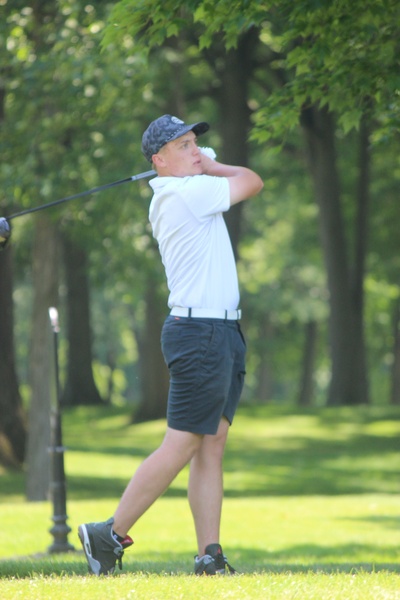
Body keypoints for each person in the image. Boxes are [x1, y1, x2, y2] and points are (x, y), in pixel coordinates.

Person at [78, 114, 264, 576]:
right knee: (182, 443)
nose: (194, 150)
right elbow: (252, 181)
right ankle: (109, 533)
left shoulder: (186, 187)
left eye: (195, 142)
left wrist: (200, 163)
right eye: (182, 146)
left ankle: (209, 555)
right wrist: (211, 166)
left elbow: (227, 174)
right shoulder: (185, 193)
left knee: (211, 444)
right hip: (200, 333)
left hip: (221, 331)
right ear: (158, 160)